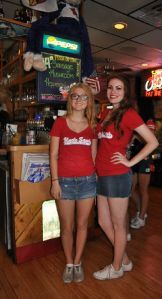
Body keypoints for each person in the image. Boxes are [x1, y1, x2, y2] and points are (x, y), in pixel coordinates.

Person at [93, 74, 159, 280]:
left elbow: (152, 142)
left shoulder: (129, 114)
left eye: (119, 88)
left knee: (118, 224)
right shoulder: (106, 112)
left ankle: (116, 267)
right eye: (111, 87)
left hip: (117, 175)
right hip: (102, 174)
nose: (113, 91)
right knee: (103, 222)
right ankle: (126, 260)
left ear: (125, 93)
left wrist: (130, 162)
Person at [49, 83, 97, 283]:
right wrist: (55, 181)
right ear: (70, 99)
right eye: (75, 96)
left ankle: (78, 262)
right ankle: (69, 263)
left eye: (83, 97)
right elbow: (53, 155)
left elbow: (93, 154)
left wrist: (96, 180)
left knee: (82, 224)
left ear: (88, 102)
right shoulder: (60, 122)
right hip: (65, 182)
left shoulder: (93, 125)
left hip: (88, 182)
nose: (79, 99)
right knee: (67, 226)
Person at [129, 119, 157, 229]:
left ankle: (141, 217)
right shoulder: (137, 128)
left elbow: (150, 139)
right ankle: (141, 210)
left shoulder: (149, 125)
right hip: (135, 161)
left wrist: (136, 136)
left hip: (145, 162)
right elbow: (130, 143)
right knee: (130, 190)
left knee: (143, 190)